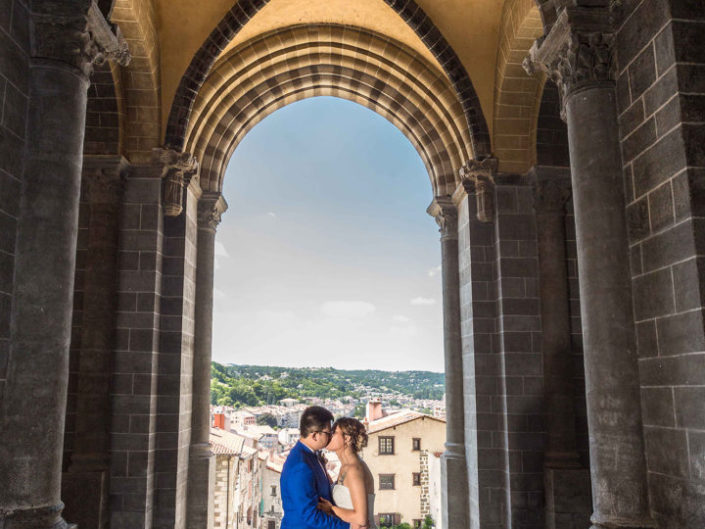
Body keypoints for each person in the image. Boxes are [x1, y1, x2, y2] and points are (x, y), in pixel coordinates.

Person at [280, 406, 357, 529]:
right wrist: (347, 527)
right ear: (315, 435)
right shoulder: (300, 466)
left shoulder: (310, 455)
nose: (330, 437)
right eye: (328, 433)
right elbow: (310, 515)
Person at [318, 417, 376, 529]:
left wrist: (331, 509)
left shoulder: (354, 470)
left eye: (334, 432)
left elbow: (361, 519)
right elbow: (343, 493)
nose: (329, 435)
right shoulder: (346, 467)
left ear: (347, 438)